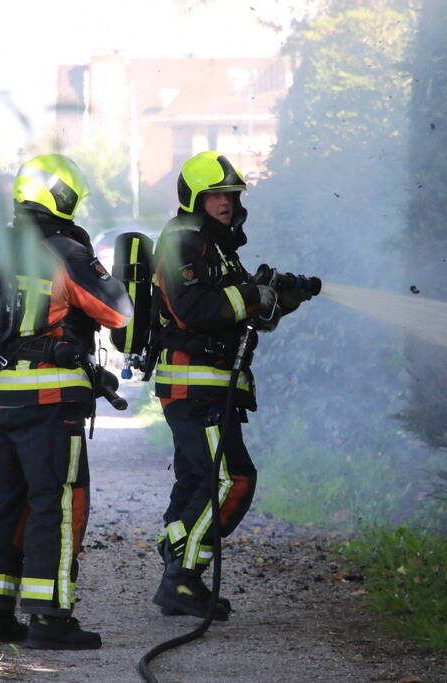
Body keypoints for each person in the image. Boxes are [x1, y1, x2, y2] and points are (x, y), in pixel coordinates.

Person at [0, 154, 132, 649]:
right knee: (57, 504)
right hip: (50, 398)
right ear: (63, 198)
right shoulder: (64, 250)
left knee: (3, 500)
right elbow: (117, 312)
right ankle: (50, 619)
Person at [150, 151, 309, 619]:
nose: (226, 202)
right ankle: (181, 577)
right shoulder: (182, 242)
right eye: (217, 194)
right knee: (233, 478)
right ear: (195, 198)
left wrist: (282, 297)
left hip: (212, 384)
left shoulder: (217, 248)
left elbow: (244, 312)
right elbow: (194, 310)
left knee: (198, 481)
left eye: (232, 195)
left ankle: (176, 554)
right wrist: (250, 294)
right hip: (192, 382)